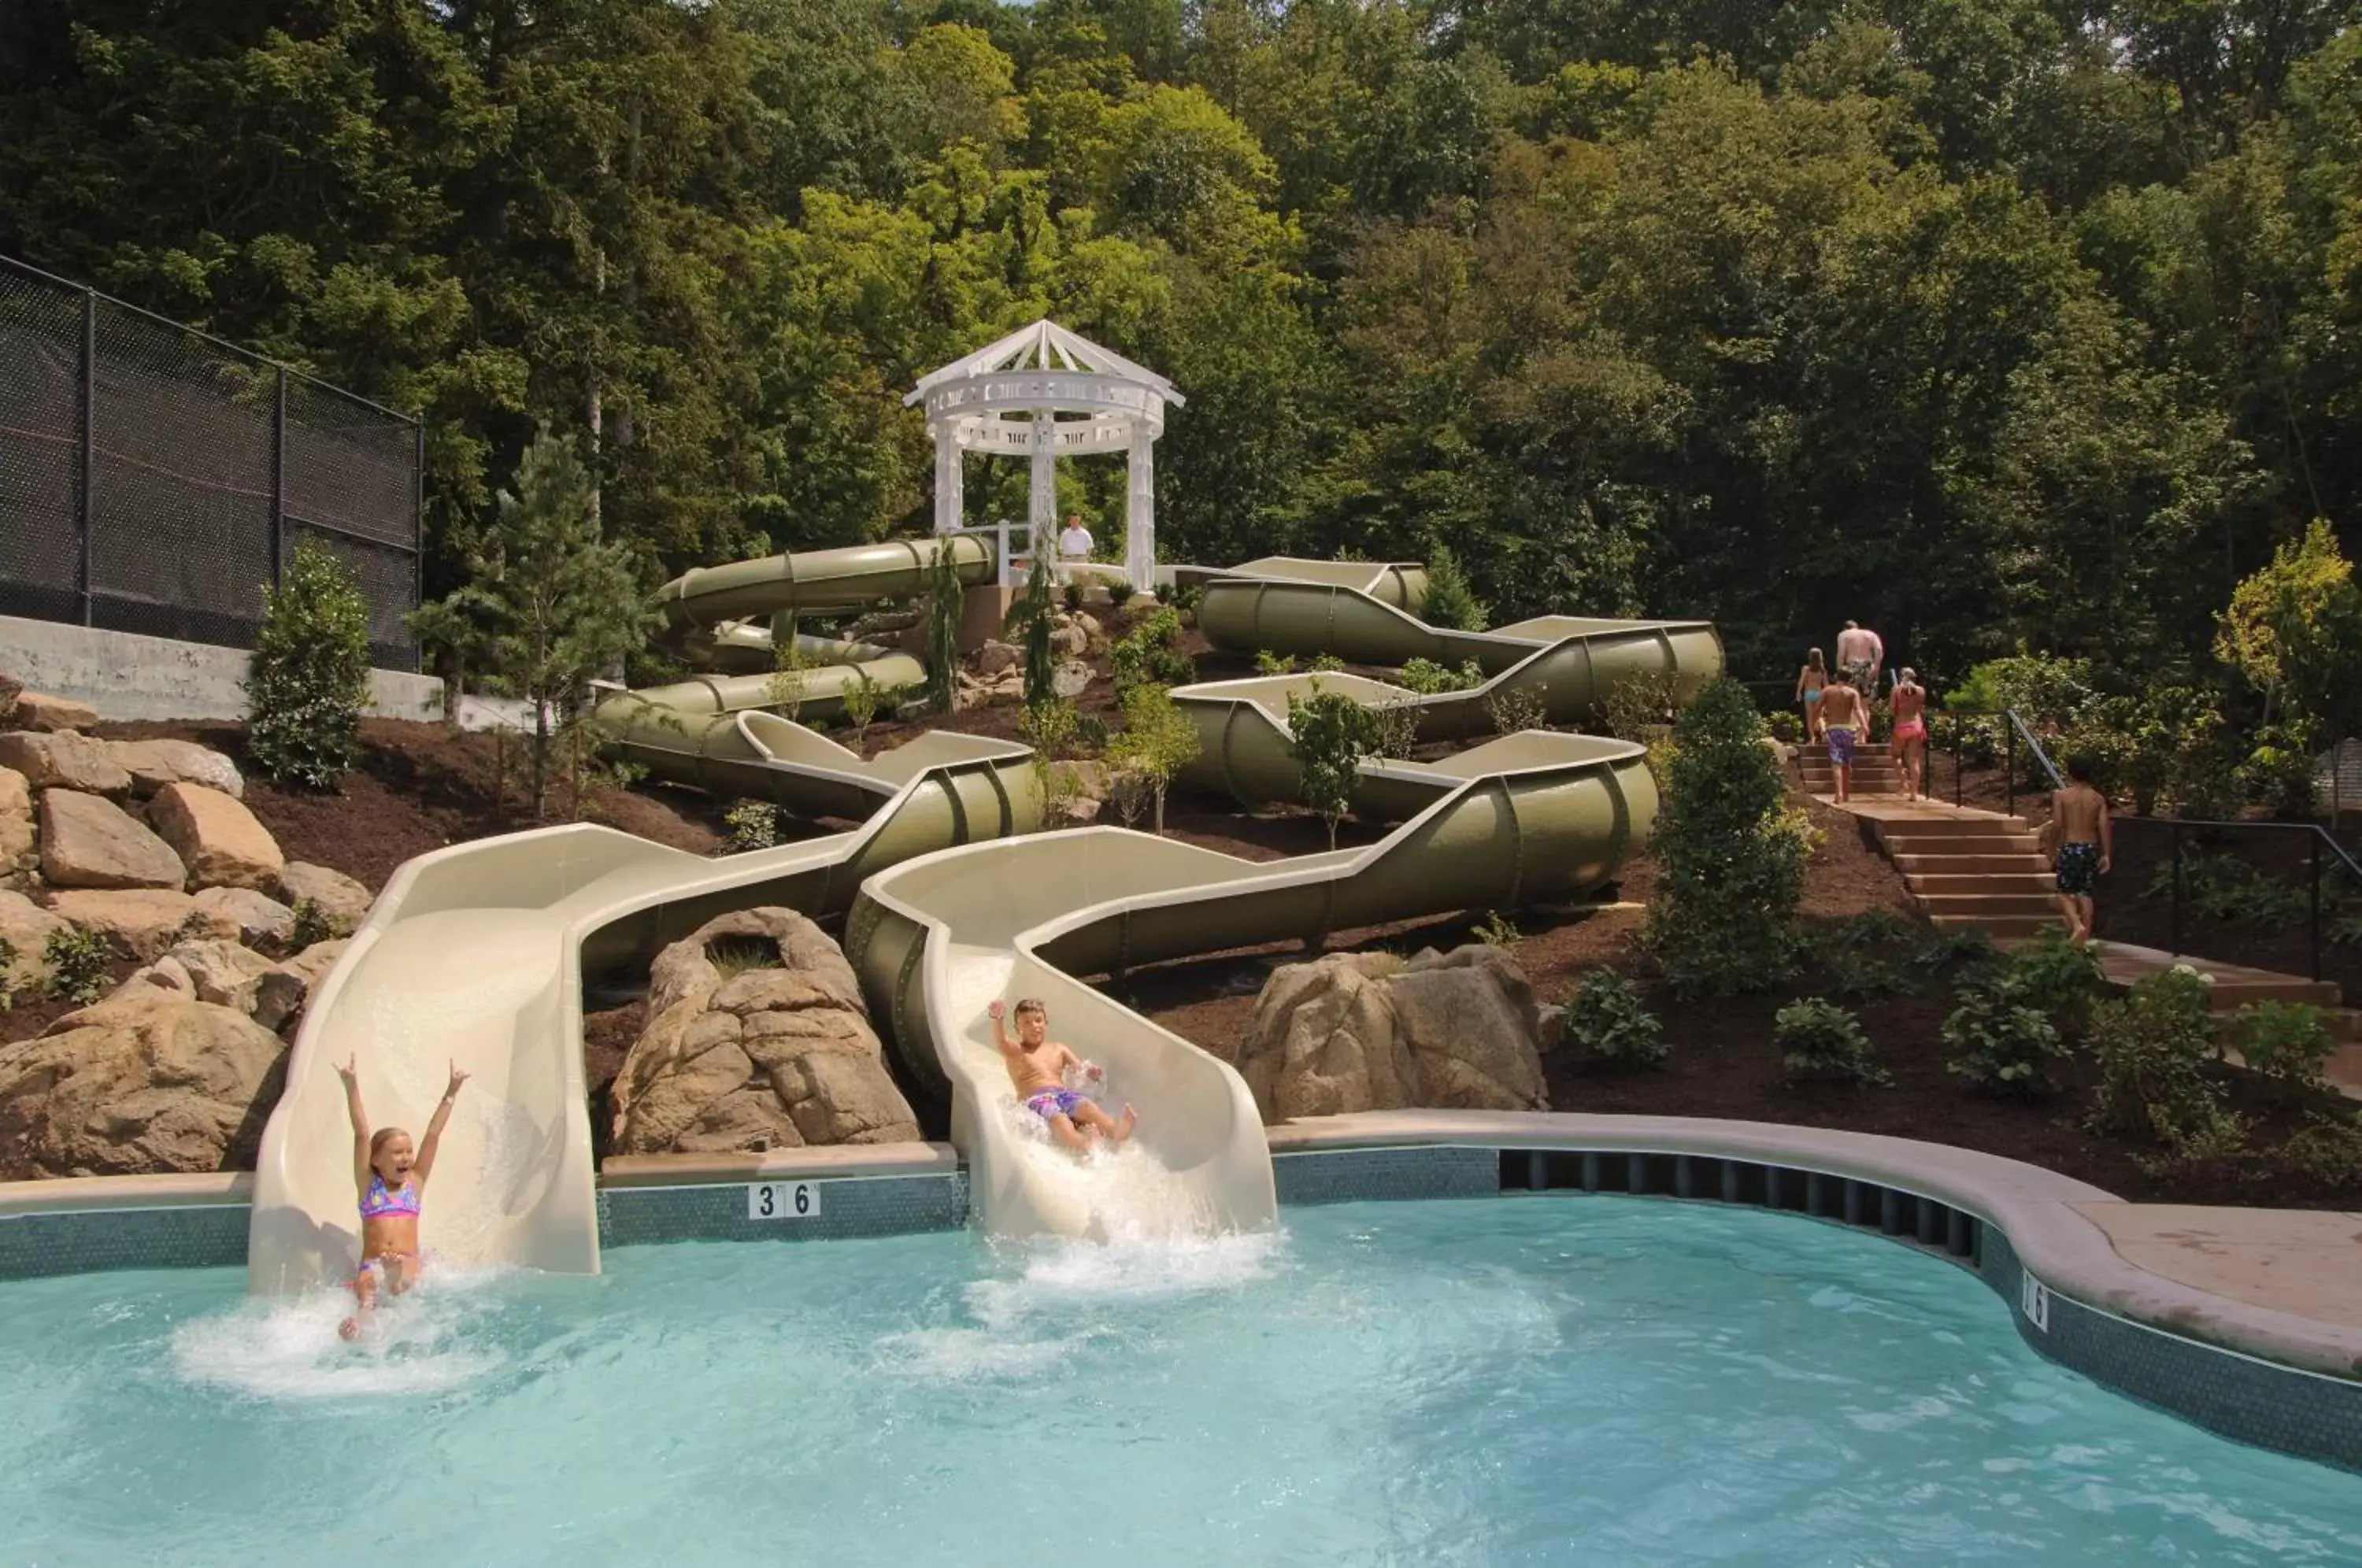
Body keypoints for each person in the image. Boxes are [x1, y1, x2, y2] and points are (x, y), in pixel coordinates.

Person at [335, 1055, 468, 1341]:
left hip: (407, 1261)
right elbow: (361, 1134)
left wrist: (451, 1092)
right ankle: (360, 1322)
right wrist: (351, 1085)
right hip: (374, 1261)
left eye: (408, 1151)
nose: (406, 1157)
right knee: (367, 1285)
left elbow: (433, 1135)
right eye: (397, 1153)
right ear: (376, 1160)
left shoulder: (415, 1183)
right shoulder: (369, 1186)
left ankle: (394, 1281)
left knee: (403, 1278)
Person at [987, 997, 1135, 1153]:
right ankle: (1082, 1143)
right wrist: (997, 1018)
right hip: (1037, 1099)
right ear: (1018, 1029)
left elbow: (1080, 1069)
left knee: (1088, 1107)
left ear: (1046, 1023)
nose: (1034, 1026)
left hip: (1063, 1094)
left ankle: (1116, 1130)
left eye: (1038, 1021)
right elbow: (1001, 1042)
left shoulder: (1059, 1049)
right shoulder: (1017, 1050)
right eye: (1027, 1023)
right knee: (1060, 1119)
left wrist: (1091, 1072)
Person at [2051, 753, 2113, 947]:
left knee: (2063, 892)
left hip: (2070, 847)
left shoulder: (2061, 796)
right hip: (2090, 848)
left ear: (2070, 773)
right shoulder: (2098, 799)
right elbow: (2103, 826)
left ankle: (2077, 925)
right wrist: (2106, 854)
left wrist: (2051, 847)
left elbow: (2057, 824)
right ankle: (2084, 939)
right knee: (2085, 893)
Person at [1818, 672, 1869, 804]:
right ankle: (1846, 794)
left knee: (1836, 763)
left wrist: (1814, 725)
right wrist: (1864, 725)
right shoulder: (1852, 693)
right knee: (1847, 764)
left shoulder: (1828, 691)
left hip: (1833, 729)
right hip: (1848, 730)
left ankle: (1838, 793)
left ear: (1836, 677)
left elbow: (1817, 708)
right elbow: (1858, 710)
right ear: (1850, 679)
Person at [1889, 667, 1928, 800]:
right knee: (1914, 760)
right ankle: (1914, 793)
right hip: (1915, 724)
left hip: (1901, 725)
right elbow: (1920, 707)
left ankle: (1903, 781)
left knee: (1895, 756)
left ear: (1901, 676)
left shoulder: (1896, 690)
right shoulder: (1921, 691)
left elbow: (1891, 709)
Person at [1835, 620, 1884, 694]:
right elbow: (1879, 650)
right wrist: (1876, 669)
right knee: (1867, 698)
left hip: (1852, 667)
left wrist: (1840, 674)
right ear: (1857, 628)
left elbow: (1841, 654)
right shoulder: (1871, 634)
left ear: (1845, 629)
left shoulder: (1843, 635)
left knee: (1852, 697)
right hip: (1868, 667)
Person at [1794, 648, 1828, 740]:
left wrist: (1798, 692)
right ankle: (1823, 731)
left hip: (1809, 693)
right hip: (1819, 693)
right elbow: (1826, 685)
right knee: (1819, 716)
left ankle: (1812, 737)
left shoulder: (1806, 669)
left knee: (1810, 717)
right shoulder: (1822, 670)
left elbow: (1801, 681)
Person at [1057, 514, 1094, 586]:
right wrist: (1063, 557)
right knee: (1066, 579)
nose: (1074, 522)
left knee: (1082, 579)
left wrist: (1086, 557)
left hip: (1080, 558)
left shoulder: (1085, 533)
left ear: (1079, 522)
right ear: (1070, 522)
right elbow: (1060, 547)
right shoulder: (1065, 533)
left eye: (1076, 520)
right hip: (1068, 558)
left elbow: (1090, 547)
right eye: (1072, 520)